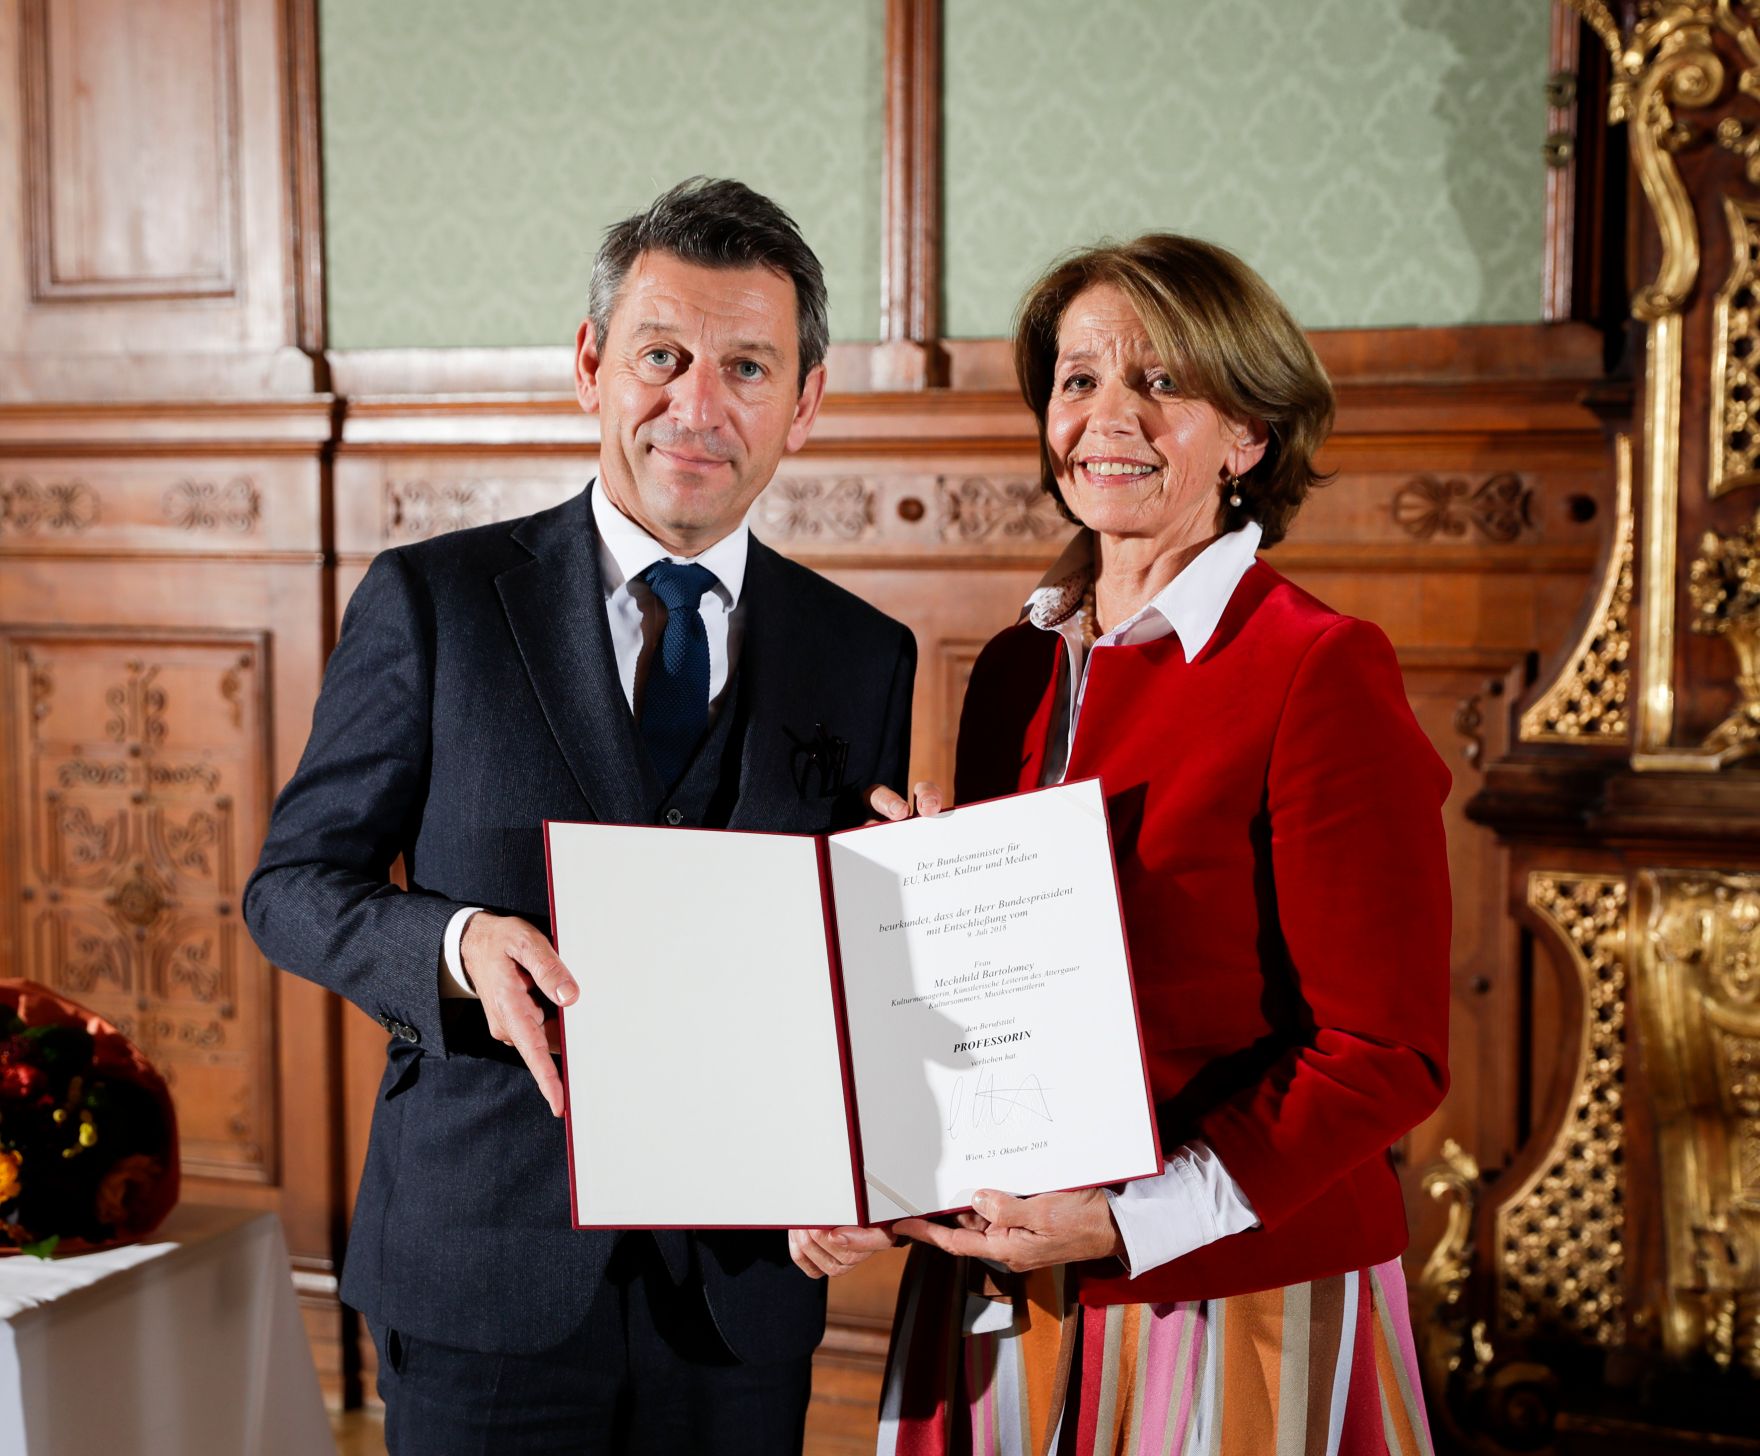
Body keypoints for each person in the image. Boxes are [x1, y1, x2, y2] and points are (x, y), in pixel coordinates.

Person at [244, 177, 918, 1455]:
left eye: (746, 367)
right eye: (661, 357)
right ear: (590, 366)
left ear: (804, 404)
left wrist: (856, 1154)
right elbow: (289, 887)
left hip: (742, 1292)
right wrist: (455, 945)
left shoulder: (862, 654)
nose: (696, 407)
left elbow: (837, 980)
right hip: (480, 1272)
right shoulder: (434, 602)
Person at [853, 235, 1452, 1454]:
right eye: (1077, 380)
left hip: (1229, 1288)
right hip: (1002, 1275)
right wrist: (916, 911)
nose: (1107, 416)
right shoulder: (1014, 666)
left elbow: (1382, 1053)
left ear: (1248, 436)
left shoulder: (1316, 667)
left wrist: (1134, 1219)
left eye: (1161, 381)